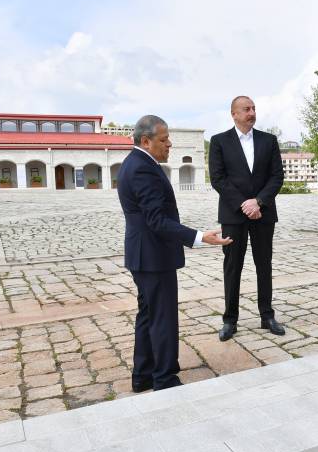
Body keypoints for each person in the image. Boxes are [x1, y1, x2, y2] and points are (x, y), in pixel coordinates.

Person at [116, 115, 231, 392]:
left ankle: (143, 375)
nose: (170, 144)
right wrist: (199, 237)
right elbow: (157, 220)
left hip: (144, 255)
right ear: (146, 141)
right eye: (164, 139)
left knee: (148, 315)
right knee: (162, 318)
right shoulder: (143, 168)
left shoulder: (135, 163)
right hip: (153, 257)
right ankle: (164, 379)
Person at [208, 96, 285, 342]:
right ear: (234, 114)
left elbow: (277, 177)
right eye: (246, 109)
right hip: (233, 215)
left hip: (263, 213)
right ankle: (230, 320)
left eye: (253, 109)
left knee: (264, 264)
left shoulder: (269, 141)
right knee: (233, 267)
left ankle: (267, 315)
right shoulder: (219, 141)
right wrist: (244, 204)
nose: (252, 113)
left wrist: (258, 202)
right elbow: (218, 179)